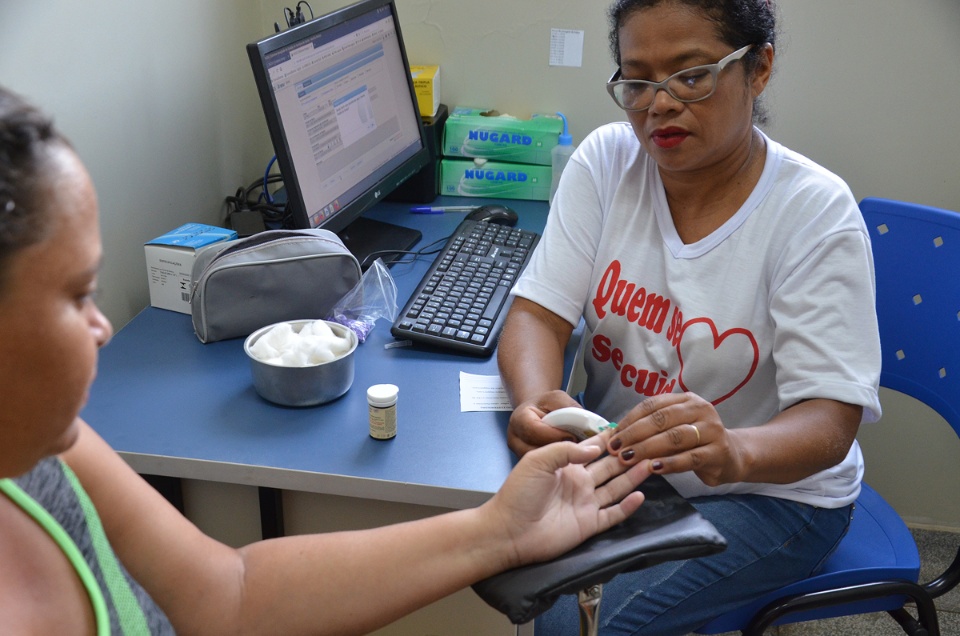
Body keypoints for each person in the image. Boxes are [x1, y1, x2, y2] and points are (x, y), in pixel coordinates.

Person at [0, 85, 652, 636]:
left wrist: (501, 531)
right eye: (78, 293)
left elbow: (231, 595)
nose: (103, 326)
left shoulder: (46, 448)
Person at [498, 0, 882, 634]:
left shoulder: (813, 213)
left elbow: (830, 422)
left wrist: (732, 450)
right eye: (638, 80)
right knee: (481, 566)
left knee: (577, 620)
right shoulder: (606, 163)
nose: (659, 104)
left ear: (758, 68)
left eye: (691, 74)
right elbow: (539, 314)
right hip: (623, 463)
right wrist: (539, 400)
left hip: (772, 493)